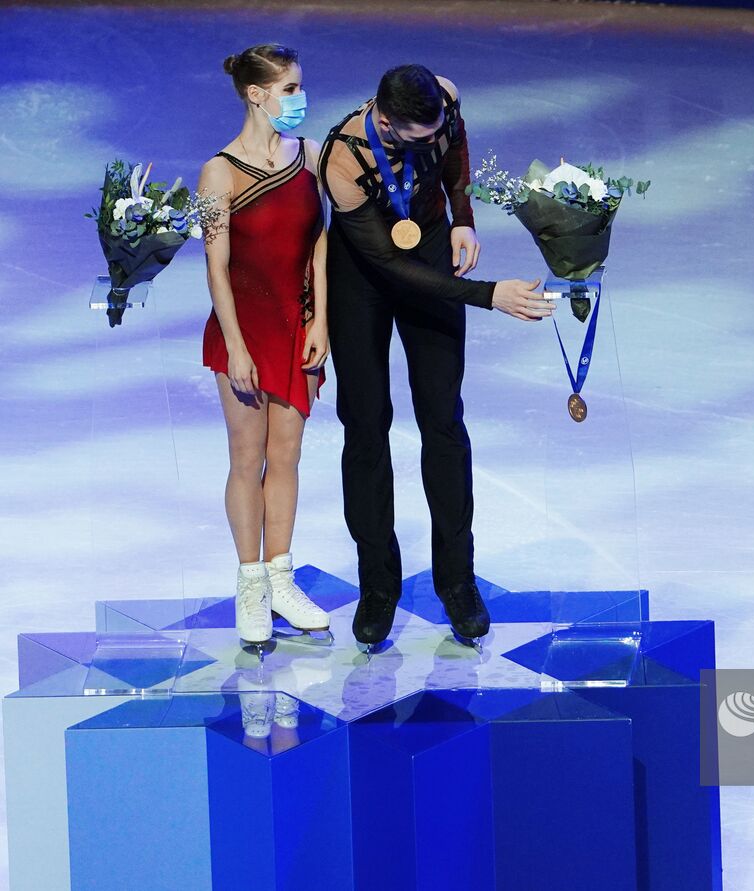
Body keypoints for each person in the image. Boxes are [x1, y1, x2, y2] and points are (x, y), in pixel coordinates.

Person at [318, 64, 554, 651]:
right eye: (415, 137)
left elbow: (455, 152)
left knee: (443, 422)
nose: (431, 140)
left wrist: (463, 220)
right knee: (366, 426)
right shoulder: (343, 159)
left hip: (430, 242)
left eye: (435, 129)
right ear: (385, 119)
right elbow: (393, 268)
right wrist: (489, 295)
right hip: (366, 275)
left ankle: (457, 580)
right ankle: (378, 586)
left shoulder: (444, 100)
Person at [199, 44, 332, 648]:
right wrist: (236, 347)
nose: (298, 99)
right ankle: (250, 583)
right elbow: (216, 266)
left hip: (296, 325)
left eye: (298, 87)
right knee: (245, 457)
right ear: (256, 94)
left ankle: (282, 576)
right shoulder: (217, 172)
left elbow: (320, 247)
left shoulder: (308, 157)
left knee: (288, 456)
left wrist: (320, 321)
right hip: (243, 334)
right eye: (289, 88)